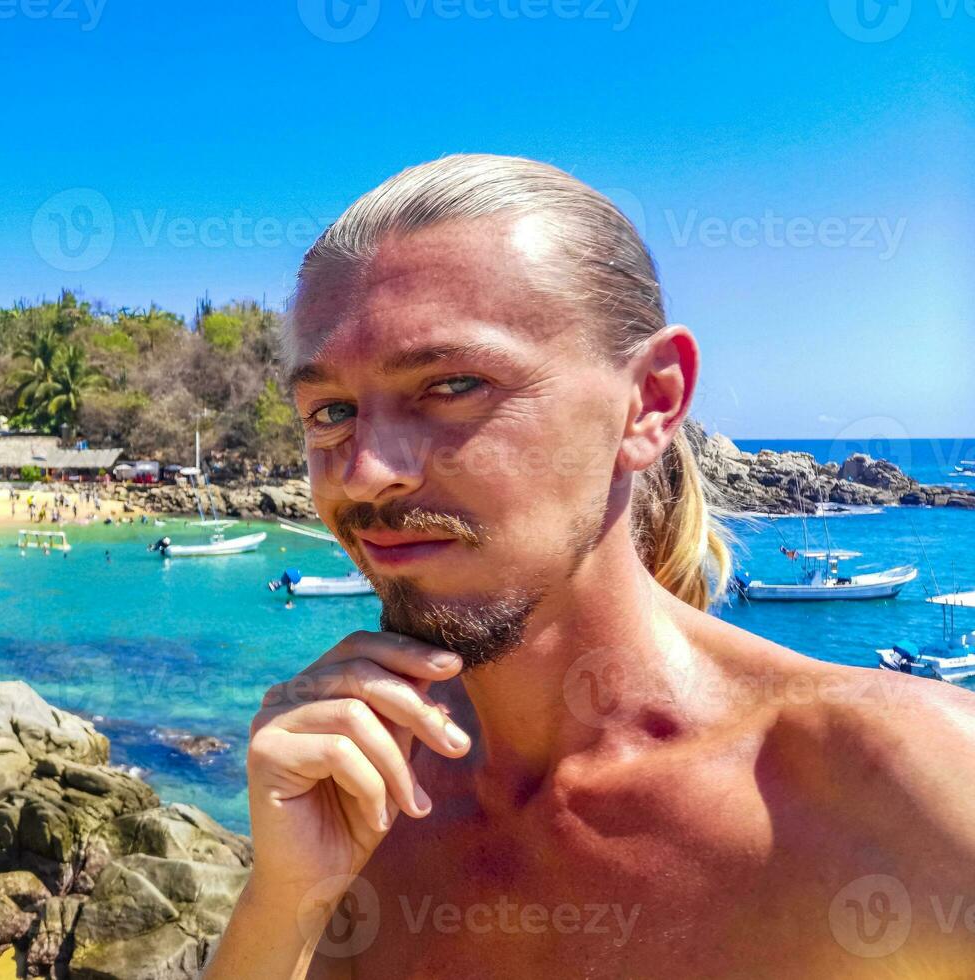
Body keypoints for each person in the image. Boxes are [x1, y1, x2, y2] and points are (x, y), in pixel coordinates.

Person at [206, 155, 975, 978]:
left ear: (649, 401)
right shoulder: (363, 803)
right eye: (330, 412)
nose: (364, 472)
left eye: (452, 384)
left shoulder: (908, 789)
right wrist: (284, 902)